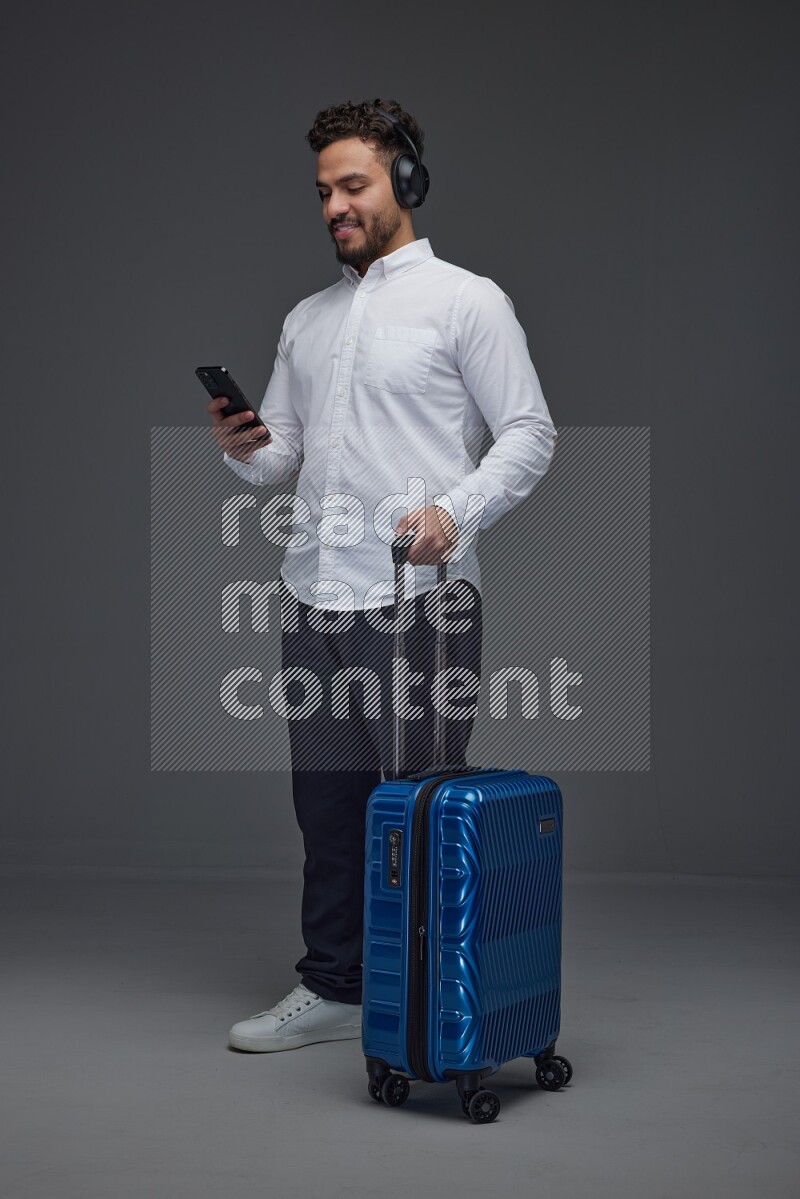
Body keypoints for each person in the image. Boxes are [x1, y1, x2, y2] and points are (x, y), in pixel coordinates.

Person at [208, 98, 557, 1052]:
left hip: (417, 599)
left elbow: (530, 432)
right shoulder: (307, 319)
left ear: (406, 180)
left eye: (353, 185)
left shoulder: (466, 301)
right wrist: (244, 445)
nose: (335, 207)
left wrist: (456, 511)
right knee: (325, 811)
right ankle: (334, 986)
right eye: (324, 192)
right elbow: (283, 458)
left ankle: (431, 1007)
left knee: (415, 808)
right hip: (312, 592)